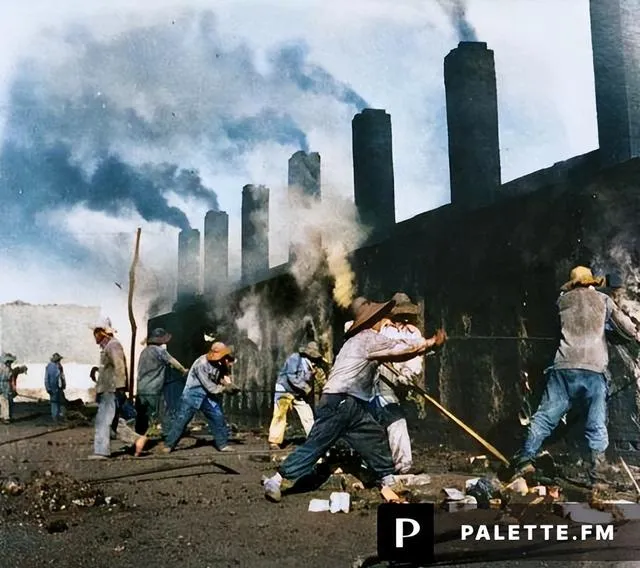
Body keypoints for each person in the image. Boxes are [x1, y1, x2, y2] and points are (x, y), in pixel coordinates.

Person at [262, 297, 442, 503]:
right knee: (316, 445)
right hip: (341, 401)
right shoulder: (367, 338)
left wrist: (427, 348)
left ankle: (388, 479)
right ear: (373, 320)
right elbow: (399, 348)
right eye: (382, 317)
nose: (386, 321)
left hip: (351, 403)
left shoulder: (355, 341)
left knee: (374, 437)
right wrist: (430, 342)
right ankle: (276, 480)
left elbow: (397, 354)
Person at [512, 266, 640, 485]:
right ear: (591, 283)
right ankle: (597, 474)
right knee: (596, 420)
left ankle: (525, 460)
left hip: (563, 367)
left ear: (572, 284)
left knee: (545, 417)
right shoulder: (603, 300)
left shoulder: (562, 301)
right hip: (593, 370)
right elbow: (628, 330)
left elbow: (557, 331)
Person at [371, 292, 446, 474]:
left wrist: (408, 373)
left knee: (390, 421)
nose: (404, 319)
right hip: (381, 381)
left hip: (402, 384)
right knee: (395, 420)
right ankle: (402, 465)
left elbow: (415, 358)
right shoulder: (383, 330)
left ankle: (390, 462)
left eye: (407, 315)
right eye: (401, 314)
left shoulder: (414, 333)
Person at [162, 342, 235, 453]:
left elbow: (220, 376)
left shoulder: (220, 362)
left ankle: (222, 445)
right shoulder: (201, 364)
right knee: (182, 420)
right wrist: (225, 389)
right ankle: (169, 445)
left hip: (207, 396)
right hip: (192, 395)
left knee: (217, 416)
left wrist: (228, 383)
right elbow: (210, 386)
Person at [90, 320, 147, 459]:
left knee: (103, 421)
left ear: (103, 332)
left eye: (96, 332)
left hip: (111, 390)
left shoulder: (113, 345)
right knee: (114, 423)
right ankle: (137, 440)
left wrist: (120, 387)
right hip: (108, 389)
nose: (95, 336)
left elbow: (119, 366)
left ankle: (101, 452)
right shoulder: (108, 347)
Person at [267, 341, 326, 450]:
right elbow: (291, 377)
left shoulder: (312, 367)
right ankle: (274, 442)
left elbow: (318, 381)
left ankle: (313, 439)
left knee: (307, 415)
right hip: (284, 390)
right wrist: (306, 388)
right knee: (280, 415)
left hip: (299, 394)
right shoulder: (295, 358)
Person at [135, 328, 188, 436]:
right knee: (163, 412)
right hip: (154, 388)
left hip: (141, 388)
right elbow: (173, 362)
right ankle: (169, 434)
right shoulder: (160, 351)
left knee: (142, 415)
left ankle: (139, 436)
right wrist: (184, 370)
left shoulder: (144, 351)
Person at [45, 353, 66, 422]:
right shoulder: (49, 366)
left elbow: (62, 376)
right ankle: (55, 418)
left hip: (59, 387)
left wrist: (64, 384)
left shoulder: (60, 366)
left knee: (60, 402)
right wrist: (48, 388)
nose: (59, 361)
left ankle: (60, 417)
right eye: (58, 360)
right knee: (54, 402)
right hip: (53, 387)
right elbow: (46, 378)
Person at [0, 353, 18, 424]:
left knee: (9, 402)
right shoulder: (1, 369)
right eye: (8, 362)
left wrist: (13, 388)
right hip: (2, 386)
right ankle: (5, 417)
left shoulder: (10, 370)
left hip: (8, 387)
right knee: (4, 402)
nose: (10, 363)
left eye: (10, 362)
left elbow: (12, 379)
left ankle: (5, 416)